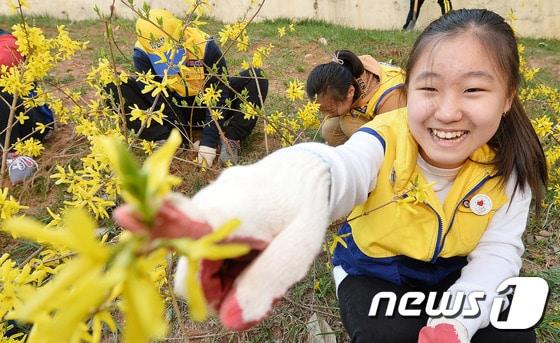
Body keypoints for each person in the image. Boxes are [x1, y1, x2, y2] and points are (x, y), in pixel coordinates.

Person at [114, 9, 546, 343]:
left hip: (455, 271)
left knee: (511, 331)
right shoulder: (383, 140)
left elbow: (496, 255)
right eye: (429, 88)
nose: (448, 111)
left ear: (507, 97)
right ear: (408, 89)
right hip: (377, 270)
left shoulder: (510, 167)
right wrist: (251, 202)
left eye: (473, 90)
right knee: (386, 336)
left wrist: (454, 322)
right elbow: (333, 170)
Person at [107, 9, 268, 166]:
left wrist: (208, 143)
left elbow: (218, 94)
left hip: (206, 104)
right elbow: (158, 98)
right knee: (112, 84)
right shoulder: (142, 54)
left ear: (182, 33)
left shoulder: (206, 47)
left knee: (256, 78)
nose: (171, 65)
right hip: (172, 108)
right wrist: (182, 137)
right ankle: (166, 139)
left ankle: (231, 138)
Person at [306, 50, 406, 146]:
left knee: (347, 122)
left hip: (400, 137)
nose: (327, 115)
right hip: (375, 121)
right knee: (329, 130)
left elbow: (400, 141)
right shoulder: (347, 70)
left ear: (350, 92)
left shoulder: (390, 98)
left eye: (330, 110)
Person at [0, 29, 54, 183]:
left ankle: (16, 156)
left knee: (4, 87)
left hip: (28, 123)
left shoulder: (10, 41)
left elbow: (6, 61)